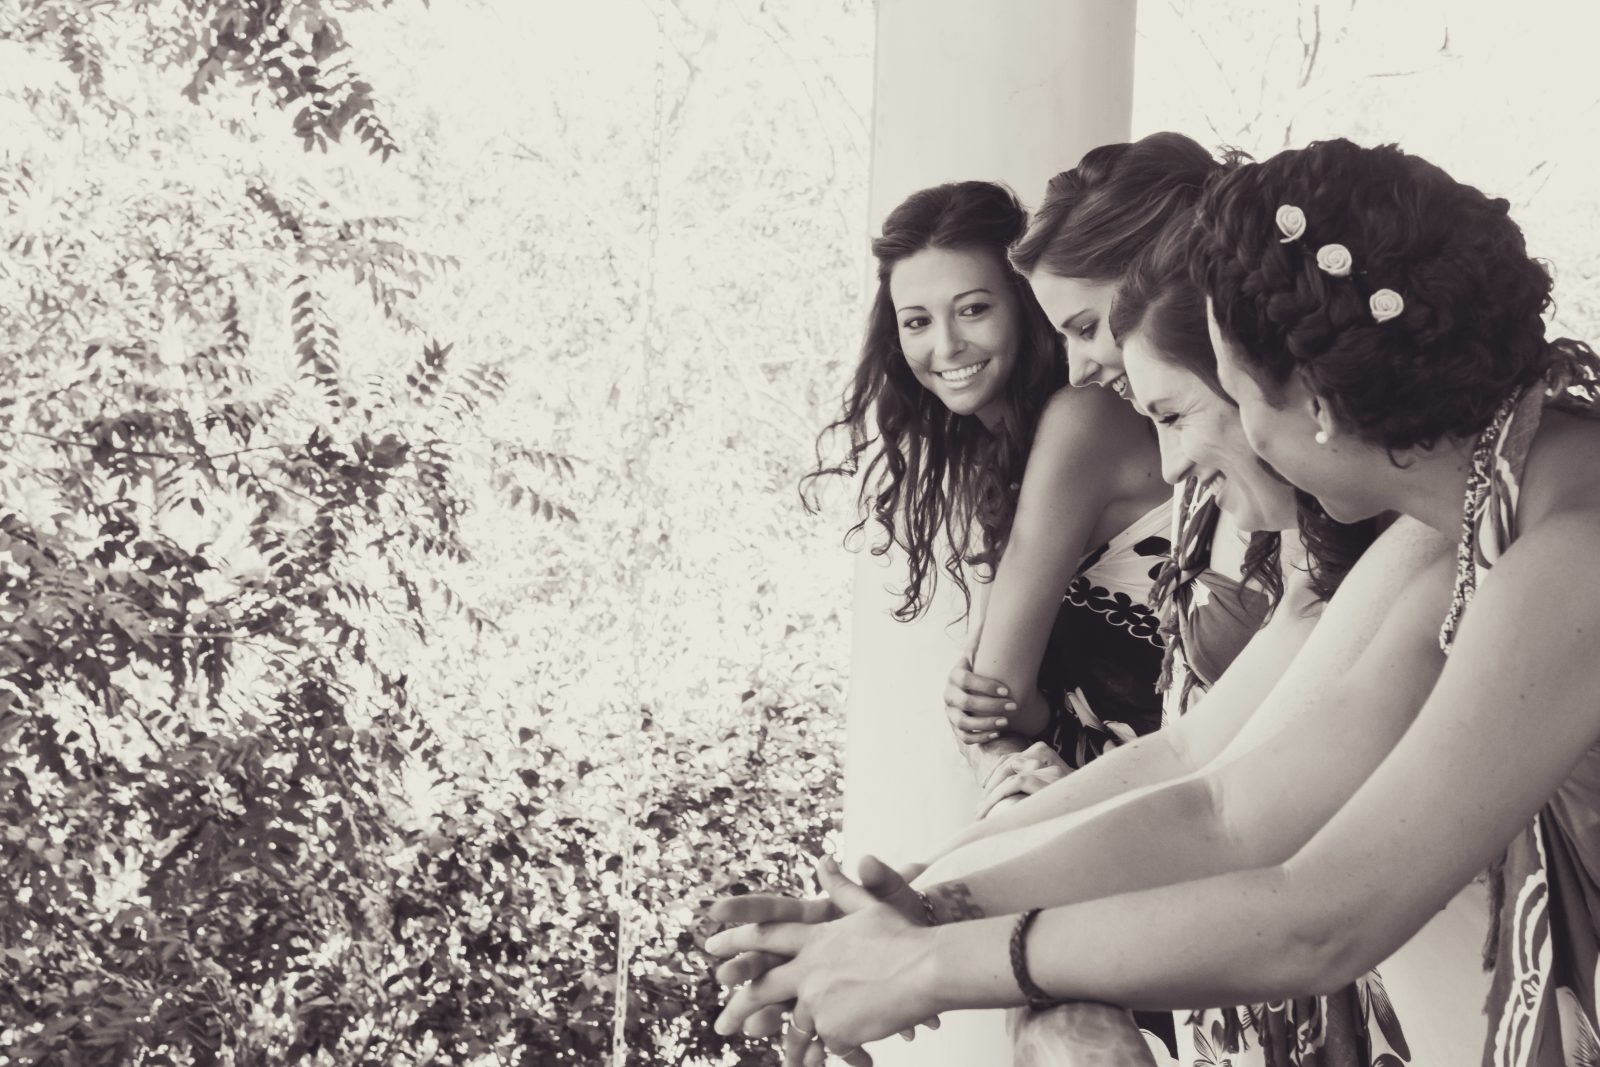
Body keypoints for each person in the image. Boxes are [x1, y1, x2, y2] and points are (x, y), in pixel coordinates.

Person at [708, 138, 1600, 1067]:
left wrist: (933, 966)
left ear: (1315, 398)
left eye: (1187, 409)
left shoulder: (1570, 548)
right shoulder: (1459, 526)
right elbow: (1221, 800)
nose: (1171, 465)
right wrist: (917, 912)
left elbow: (1323, 916)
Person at [803, 180, 1169, 768]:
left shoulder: (1084, 418)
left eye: (973, 309)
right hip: (1113, 770)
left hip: (1188, 774)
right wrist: (1006, 711)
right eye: (916, 321)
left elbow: (995, 691)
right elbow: (996, 703)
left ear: (1024, 307)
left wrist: (999, 708)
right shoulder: (996, 462)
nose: (945, 345)